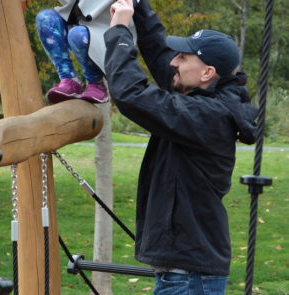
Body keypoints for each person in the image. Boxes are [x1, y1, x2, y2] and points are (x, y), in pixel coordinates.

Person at [104, 0, 258, 294]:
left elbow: (131, 95)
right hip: (186, 272)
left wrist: (119, 32)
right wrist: (137, 6)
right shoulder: (202, 99)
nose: (174, 61)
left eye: (184, 57)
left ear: (206, 73)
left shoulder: (208, 116)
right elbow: (163, 57)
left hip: (189, 277)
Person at [35, 0, 137, 104]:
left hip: (105, 29)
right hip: (76, 23)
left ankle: (95, 82)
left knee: (77, 34)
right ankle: (68, 79)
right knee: (45, 18)